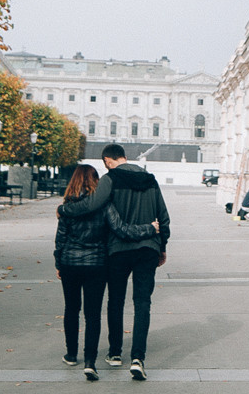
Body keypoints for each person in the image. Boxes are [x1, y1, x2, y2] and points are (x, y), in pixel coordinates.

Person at [57, 144, 170, 381]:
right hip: (148, 247)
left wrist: (63, 210)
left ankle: (115, 353)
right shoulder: (150, 179)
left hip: (118, 249)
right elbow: (164, 217)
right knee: (142, 303)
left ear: (108, 160)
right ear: (125, 157)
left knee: (115, 301)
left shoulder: (110, 179)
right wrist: (162, 246)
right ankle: (138, 358)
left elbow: (91, 205)